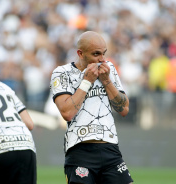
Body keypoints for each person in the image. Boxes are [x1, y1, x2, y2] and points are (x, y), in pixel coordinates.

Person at [50, 31, 133, 184]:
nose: (102, 59)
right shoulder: (62, 73)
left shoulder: (109, 69)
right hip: (80, 149)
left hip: (110, 148)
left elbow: (124, 109)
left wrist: (107, 81)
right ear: (80, 53)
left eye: (104, 53)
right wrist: (87, 81)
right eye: (96, 54)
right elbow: (67, 112)